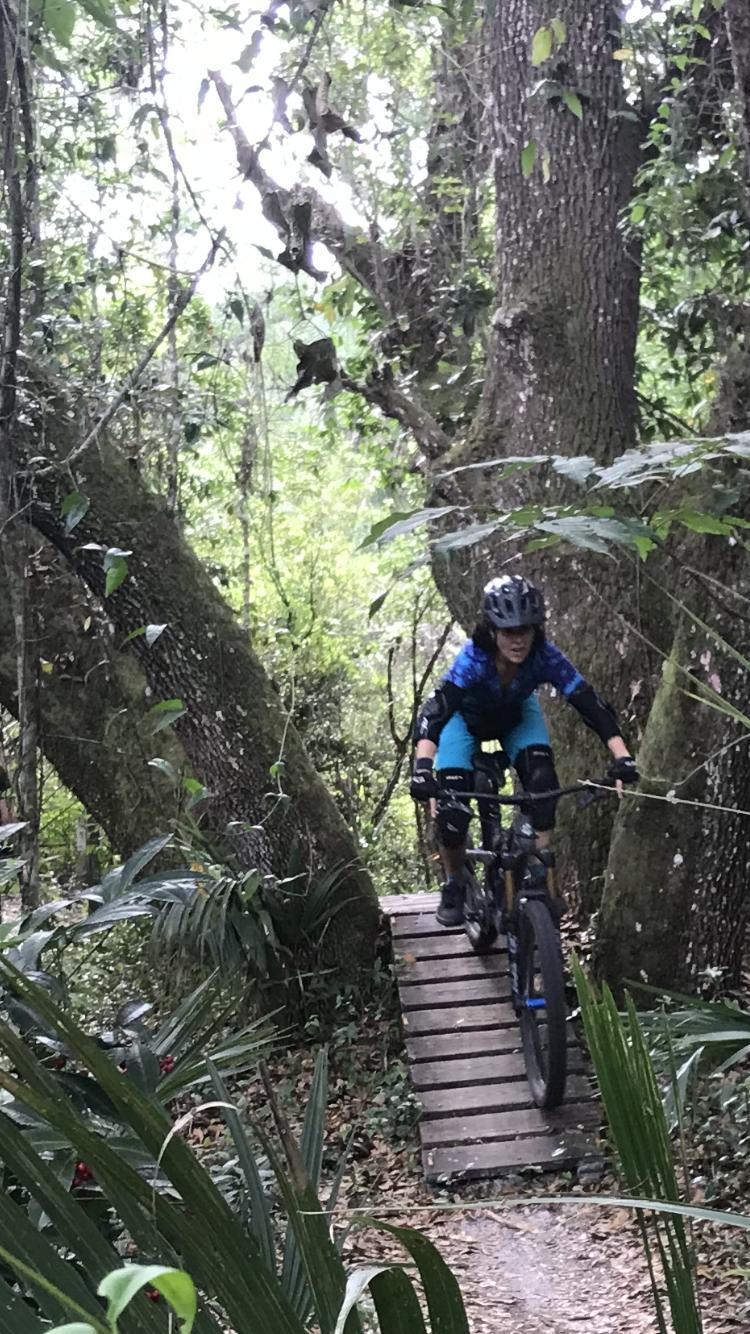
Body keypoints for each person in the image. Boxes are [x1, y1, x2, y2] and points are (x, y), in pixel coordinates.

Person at [410, 574, 638, 926]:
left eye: (525, 631)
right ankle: (454, 882)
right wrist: (422, 769)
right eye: (508, 631)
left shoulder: (544, 657)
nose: (517, 640)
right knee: (452, 813)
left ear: (536, 630)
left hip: (516, 717)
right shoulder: (474, 658)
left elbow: (590, 705)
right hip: (465, 721)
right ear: (492, 630)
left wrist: (622, 757)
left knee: (543, 783)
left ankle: (539, 872)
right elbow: (437, 713)